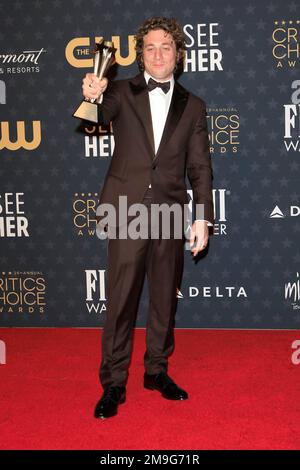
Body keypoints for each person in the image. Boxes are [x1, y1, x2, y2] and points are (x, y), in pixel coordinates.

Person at [82, 16, 214, 419]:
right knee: (121, 301)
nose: (159, 54)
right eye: (151, 47)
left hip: (171, 213)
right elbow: (92, 118)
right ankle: (114, 382)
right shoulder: (121, 91)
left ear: (179, 55)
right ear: (141, 56)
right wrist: (91, 94)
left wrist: (202, 217)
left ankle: (156, 370)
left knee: (162, 302)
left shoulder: (193, 106)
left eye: (167, 47)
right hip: (125, 210)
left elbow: (200, 168)